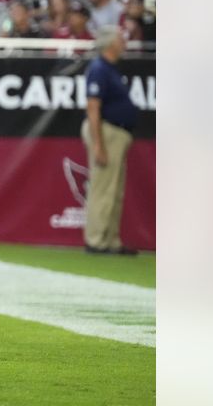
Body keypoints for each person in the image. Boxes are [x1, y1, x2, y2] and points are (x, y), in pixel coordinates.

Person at [81, 27, 139, 255]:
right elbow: (93, 107)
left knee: (115, 190)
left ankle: (111, 239)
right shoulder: (99, 69)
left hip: (117, 133)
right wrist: (98, 144)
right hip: (106, 131)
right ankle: (95, 240)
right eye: (120, 37)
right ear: (110, 43)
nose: (124, 40)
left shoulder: (112, 69)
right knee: (103, 187)